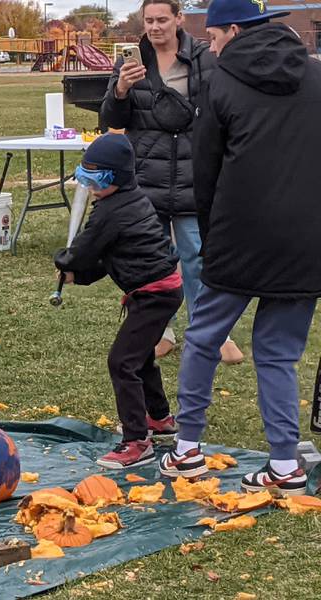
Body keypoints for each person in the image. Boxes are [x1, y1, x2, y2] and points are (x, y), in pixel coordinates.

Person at [158, 0, 321, 495]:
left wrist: (212, 234)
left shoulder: (220, 82)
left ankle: (186, 450)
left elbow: (203, 170)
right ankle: (285, 466)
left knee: (204, 337)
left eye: (212, 37)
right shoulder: (316, 76)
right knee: (277, 354)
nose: (209, 46)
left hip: (241, 235)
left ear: (233, 30)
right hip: (308, 240)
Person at [100, 0, 244, 365]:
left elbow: (224, 111)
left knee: (197, 257)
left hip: (194, 173)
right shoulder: (132, 63)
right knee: (152, 262)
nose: (155, 27)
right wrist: (119, 89)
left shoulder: (205, 59)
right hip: (146, 174)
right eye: (148, 20)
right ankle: (159, 332)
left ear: (179, 19)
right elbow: (110, 118)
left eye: (162, 19)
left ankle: (212, 333)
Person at [55, 134, 183, 469]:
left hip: (154, 296)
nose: (92, 187)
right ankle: (160, 419)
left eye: (98, 179)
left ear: (118, 178)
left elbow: (83, 251)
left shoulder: (112, 212)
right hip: (158, 292)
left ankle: (137, 441)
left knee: (121, 362)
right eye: (86, 178)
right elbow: (108, 259)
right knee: (139, 358)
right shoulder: (126, 201)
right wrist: (78, 274)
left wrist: (65, 262)